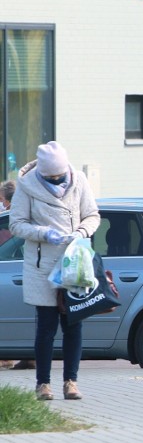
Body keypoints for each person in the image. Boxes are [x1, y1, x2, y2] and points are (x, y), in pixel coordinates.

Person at [9, 141, 100, 400]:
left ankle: (71, 381)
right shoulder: (27, 186)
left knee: (74, 325)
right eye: (51, 177)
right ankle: (43, 384)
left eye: (60, 176)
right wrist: (44, 233)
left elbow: (92, 215)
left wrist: (80, 232)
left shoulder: (79, 181)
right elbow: (16, 224)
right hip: (42, 266)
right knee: (46, 327)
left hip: (75, 262)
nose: (57, 180)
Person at [0, 180, 37, 370]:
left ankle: (6, 358)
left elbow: (12, 244)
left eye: (1, 200)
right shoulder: (25, 213)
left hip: (18, 272)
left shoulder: (14, 218)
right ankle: (28, 357)